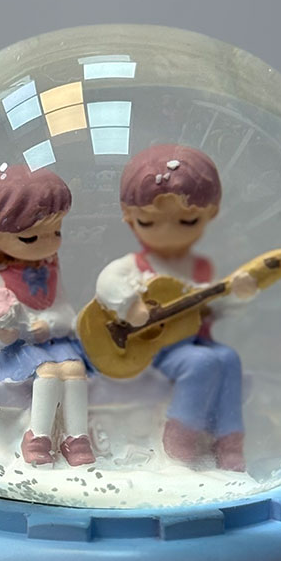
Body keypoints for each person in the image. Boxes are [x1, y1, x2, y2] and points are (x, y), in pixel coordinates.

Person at [94, 145, 256, 471]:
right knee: (201, 363)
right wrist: (129, 306)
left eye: (187, 221)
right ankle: (181, 439)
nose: (168, 232)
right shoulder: (134, 266)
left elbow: (214, 306)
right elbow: (106, 284)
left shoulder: (201, 268)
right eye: (149, 222)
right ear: (128, 215)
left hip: (194, 340)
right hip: (153, 349)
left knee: (228, 358)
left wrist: (236, 293)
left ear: (211, 213)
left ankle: (229, 440)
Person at [0, 163, 94, 466]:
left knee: (74, 369)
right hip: (17, 349)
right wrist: (6, 331)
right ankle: (38, 436)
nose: (48, 243)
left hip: (53, 339)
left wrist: (51, 324)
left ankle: (75, 436)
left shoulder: (50, 271)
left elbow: (65, 311)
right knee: (48, 372)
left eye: (56, 232)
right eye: (30, 238)